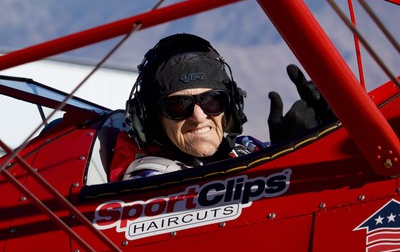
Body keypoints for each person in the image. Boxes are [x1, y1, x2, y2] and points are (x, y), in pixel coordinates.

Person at [109, 33, 334, 181]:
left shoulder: (245, 149)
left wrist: (294, 151)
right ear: (151, 120)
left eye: (212, 101)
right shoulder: (149, 181)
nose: (199, 116)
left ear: (231, 106)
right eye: (178, 106)